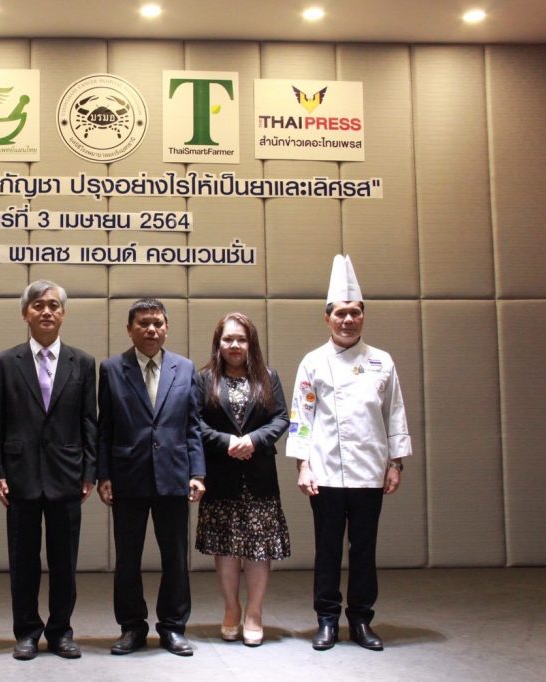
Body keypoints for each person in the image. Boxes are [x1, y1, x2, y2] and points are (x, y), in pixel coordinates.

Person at [288, 255, 412, 652]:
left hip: (370, 471)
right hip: (325, 471)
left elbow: (394, 412)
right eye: (340, 313)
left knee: (364, 550)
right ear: (327, 318)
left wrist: (395, 464)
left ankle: (360, 620)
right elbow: (301, 416)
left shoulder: (382, 361)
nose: (348, 320)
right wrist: (303, 465)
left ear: (363, 316)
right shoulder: (313, 362)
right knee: (326, 550)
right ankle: (326, 620)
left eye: (355, 312)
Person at [0, 280, 97, 661]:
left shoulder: (83, 362)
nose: (46, 311)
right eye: (38, 305)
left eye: (53, 305)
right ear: (25, 314)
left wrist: (90, 470)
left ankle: (61, 631)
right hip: (20, 476)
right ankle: (27, 632)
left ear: (63, 314)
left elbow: (89, 420)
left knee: (65, 561)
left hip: (68, 474)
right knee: (23, 561)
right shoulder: (5, 361)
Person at [97, 298, 206, 657]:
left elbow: (192, 426)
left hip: (173, 475)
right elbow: (104, 427)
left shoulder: (185, 368)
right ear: (130, 329)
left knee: (175, 556)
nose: (151, 330)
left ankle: (173, 627)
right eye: (143, 323)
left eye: (158, 323)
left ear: (167, 328)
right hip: (127, 476)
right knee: (127, 558)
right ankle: (132, 627)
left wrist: (197, 472)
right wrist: (103, 474)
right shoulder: (112, 369)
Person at [194, 312, 290, 647]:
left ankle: (254, 612)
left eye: (241, 339)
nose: (234, 345)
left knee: (258, 549)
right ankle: (231, 608)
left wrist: (254, 440)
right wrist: (227, 442)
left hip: (259, 475)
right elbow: (194, 422)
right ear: (218, 343)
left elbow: (281, 418)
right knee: (226, 548)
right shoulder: (204, 379)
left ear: (251, 343)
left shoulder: (268, 377)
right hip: (221, 475)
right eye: (228, 339)